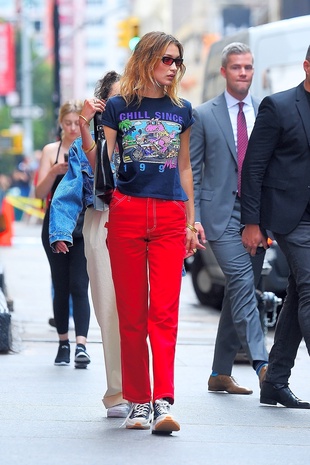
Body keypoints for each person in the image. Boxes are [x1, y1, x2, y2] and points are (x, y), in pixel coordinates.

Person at [84, 31, 203, 434]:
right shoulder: (117, 107)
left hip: (170, 216)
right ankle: (137, 402)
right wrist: (88, 123)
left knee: (164, 313)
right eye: (166, 59)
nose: (172, 67)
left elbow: (185, 167)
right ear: (148, 58)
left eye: (177, 61)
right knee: (131, 313)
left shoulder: (184, 110)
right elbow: (102, 160)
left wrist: (191, 219)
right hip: (129, 213)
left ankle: (163, 401)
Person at [49, 71, 130, 418]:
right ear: (101, 103)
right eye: (114, 98)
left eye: (127, 96)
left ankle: (147, 389)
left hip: (139, 222)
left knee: (142, 310)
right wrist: (61, 232)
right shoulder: (90, 140)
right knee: (109, 311)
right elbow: (69, 191)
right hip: (102, 223)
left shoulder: (142, 130)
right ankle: (118, 393)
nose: (122, 103)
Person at [190, 42, 269, 396]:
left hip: (256, 217)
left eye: (248, 67)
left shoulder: (266, 112)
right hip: (218, 215)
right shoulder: (204, 114)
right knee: (241, 284)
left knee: (237, 293)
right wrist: (193, 218)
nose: (243, 73)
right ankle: (263, 365)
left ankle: (220, 372)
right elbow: (190, 170)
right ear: (224, 71)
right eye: (236, 67)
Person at [241, 46, 310, 409]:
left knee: (299, 292)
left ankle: (275, 381)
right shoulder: (279, 106)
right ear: (306, 66)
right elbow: (253, 167)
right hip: (290, 217)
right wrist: (251, 222)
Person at [35, 100, 91, 369]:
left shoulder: (88, 146)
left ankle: (82, 344)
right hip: (54, 225)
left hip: (82, 225)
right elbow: (38, 192)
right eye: (67, 123)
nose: (72, 128)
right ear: (61, 123)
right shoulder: (51, 151)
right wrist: (55, 171)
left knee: (80, 284)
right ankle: (63, 343)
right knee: (61, 284)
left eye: (75, 123)